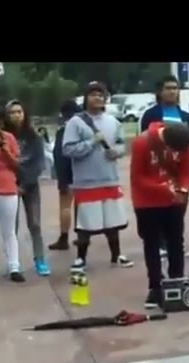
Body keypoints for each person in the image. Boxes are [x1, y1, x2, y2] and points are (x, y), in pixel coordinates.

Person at [62, 81, 133, 272]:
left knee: (113, 221)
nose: (98, 98)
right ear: (86, 98)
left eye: (101, 95)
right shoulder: (75, 122)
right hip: (86, 183)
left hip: (110, 179)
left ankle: (116, 255)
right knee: (86, 223)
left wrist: (117, 152)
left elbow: (122, 144)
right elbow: (68, 149)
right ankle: (81, 258)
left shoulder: (113, 122)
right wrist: (92, 142)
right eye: (93, 94)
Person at [131, 122, 189, 308]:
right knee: (151, 245)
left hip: (173, 201)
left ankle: (177, 280)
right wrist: (163, 188)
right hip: (147, 202)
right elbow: (137, 177)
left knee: (176, 242)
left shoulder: (183, 142)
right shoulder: (142, 143)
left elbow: (185, 171)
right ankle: (155, 286)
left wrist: (183, 189)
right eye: (173, 149)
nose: (175, 153)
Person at [140, 75, 189, 259]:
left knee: (179, 207)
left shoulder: (185, 117)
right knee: (159, 208)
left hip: (181, 171)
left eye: (174, 88)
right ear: (160, 91)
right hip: (158, 170)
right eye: (168, 88)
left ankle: (176, 243)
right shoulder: (151, 116)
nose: (172, 91)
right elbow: (145, 141)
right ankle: (160, 243)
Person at [3, 100, 50, 276]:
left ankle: (40, 259)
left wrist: (24, 184)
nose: (16, 115)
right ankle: (13, 263)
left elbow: (39, 164)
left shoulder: (33, 136)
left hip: (30, 186)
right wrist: (13, 184)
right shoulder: (2, 136)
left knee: (35, 224)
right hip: (9, 186)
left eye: (19, 112)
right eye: (12, 112)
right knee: (11, 226)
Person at [0, 103, 24, 284]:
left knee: (9, 231)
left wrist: (4, 149)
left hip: (8, 189)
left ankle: (14, 267)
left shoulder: (9, 138)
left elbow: (16, 165)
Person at [48, 100, 81, 251]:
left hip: (67, 173)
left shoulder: (64, 130)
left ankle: (64, 237)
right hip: (82, 173)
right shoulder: (82, 128)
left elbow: (60, 154)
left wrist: (61, 178)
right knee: (81, 206)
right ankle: (82, 235)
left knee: (65, 206)